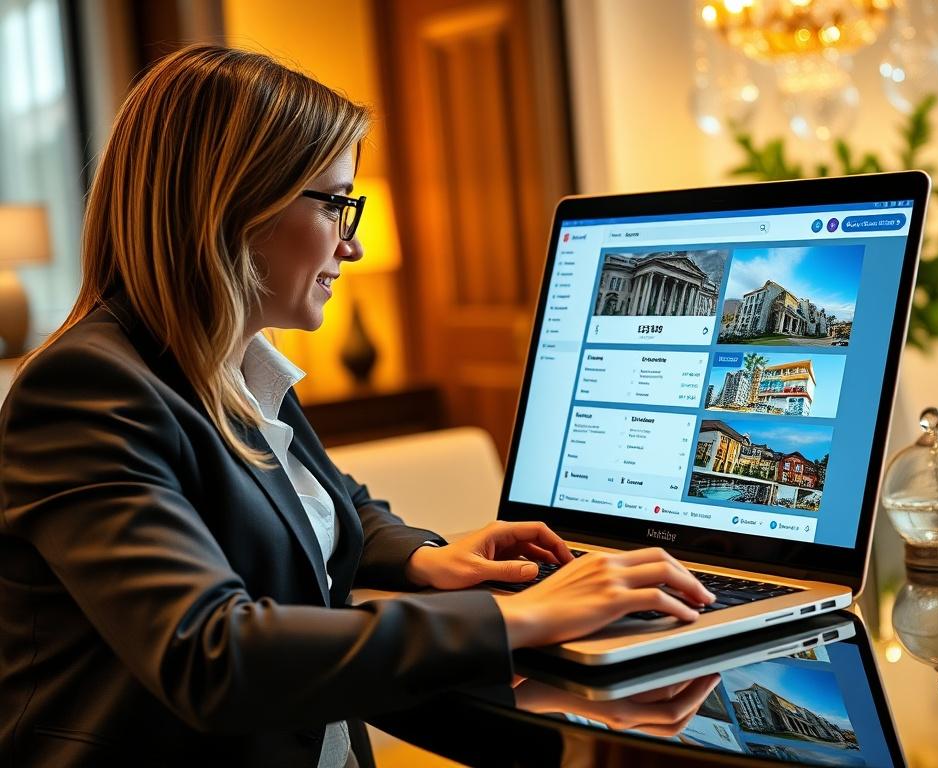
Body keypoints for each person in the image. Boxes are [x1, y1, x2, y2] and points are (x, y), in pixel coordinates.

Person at [0, 44, 714, 767]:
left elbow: (333, 504)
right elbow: (209, 654)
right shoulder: (87, 388)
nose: (355, 244)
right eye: (337, 203)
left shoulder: (232, 363)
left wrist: (428, 559)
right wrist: (509, 617)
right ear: (236, 202)